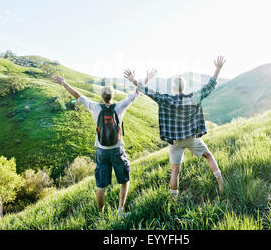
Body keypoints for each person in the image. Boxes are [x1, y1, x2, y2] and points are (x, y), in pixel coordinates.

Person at [124, 55, 226, 197]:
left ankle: (173, 200)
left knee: (175, 171)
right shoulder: (193, 97)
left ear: (173, 87)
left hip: (176, 142)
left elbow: (147, 91)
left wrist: (133, 80)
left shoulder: (167, 100)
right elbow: (210, 85)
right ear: (184, 87)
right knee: (208, 156)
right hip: (191, 138)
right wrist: (218, 68)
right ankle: (220, 182)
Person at [51, 73, 146, 215]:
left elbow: (77, 95)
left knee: (101, 185)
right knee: (124, 181)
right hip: (117, 149)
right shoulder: (119, 107)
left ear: (101, 97)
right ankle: (121, 210)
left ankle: (100, 215)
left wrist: (63, 83)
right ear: (112, 97)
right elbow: (137, 92)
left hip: (101, 151)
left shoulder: (95, 107)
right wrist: (142, 80)